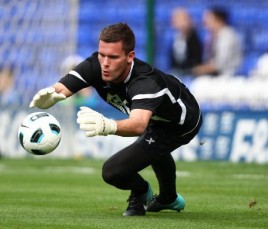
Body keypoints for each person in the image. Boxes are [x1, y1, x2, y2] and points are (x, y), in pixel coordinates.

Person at [29, 23, 202, 216]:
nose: (105, 63)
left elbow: (138, 125)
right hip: (153, 118)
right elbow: (60, 89)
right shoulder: (95, 65)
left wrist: (107, 125)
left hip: (180, 123)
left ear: (130, 57)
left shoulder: (145, 83)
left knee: (113, 171)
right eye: (102, 54)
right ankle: (168, 199)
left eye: (113, 57)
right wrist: (50, 97)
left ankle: (141, 191)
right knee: (154, 146)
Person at [192, 7, 242, 77]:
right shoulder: (210, 37)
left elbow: (221, 63)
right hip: (214, 75)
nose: (205, 22)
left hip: (228, 75)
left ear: (219, 20)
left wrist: (203, 69)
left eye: (208, 19)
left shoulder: (228, 35)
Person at [169, 7, 203, 77]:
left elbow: (196, 59)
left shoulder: (194, 36)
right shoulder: (175, 37)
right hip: (176, 72)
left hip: (192, 73)